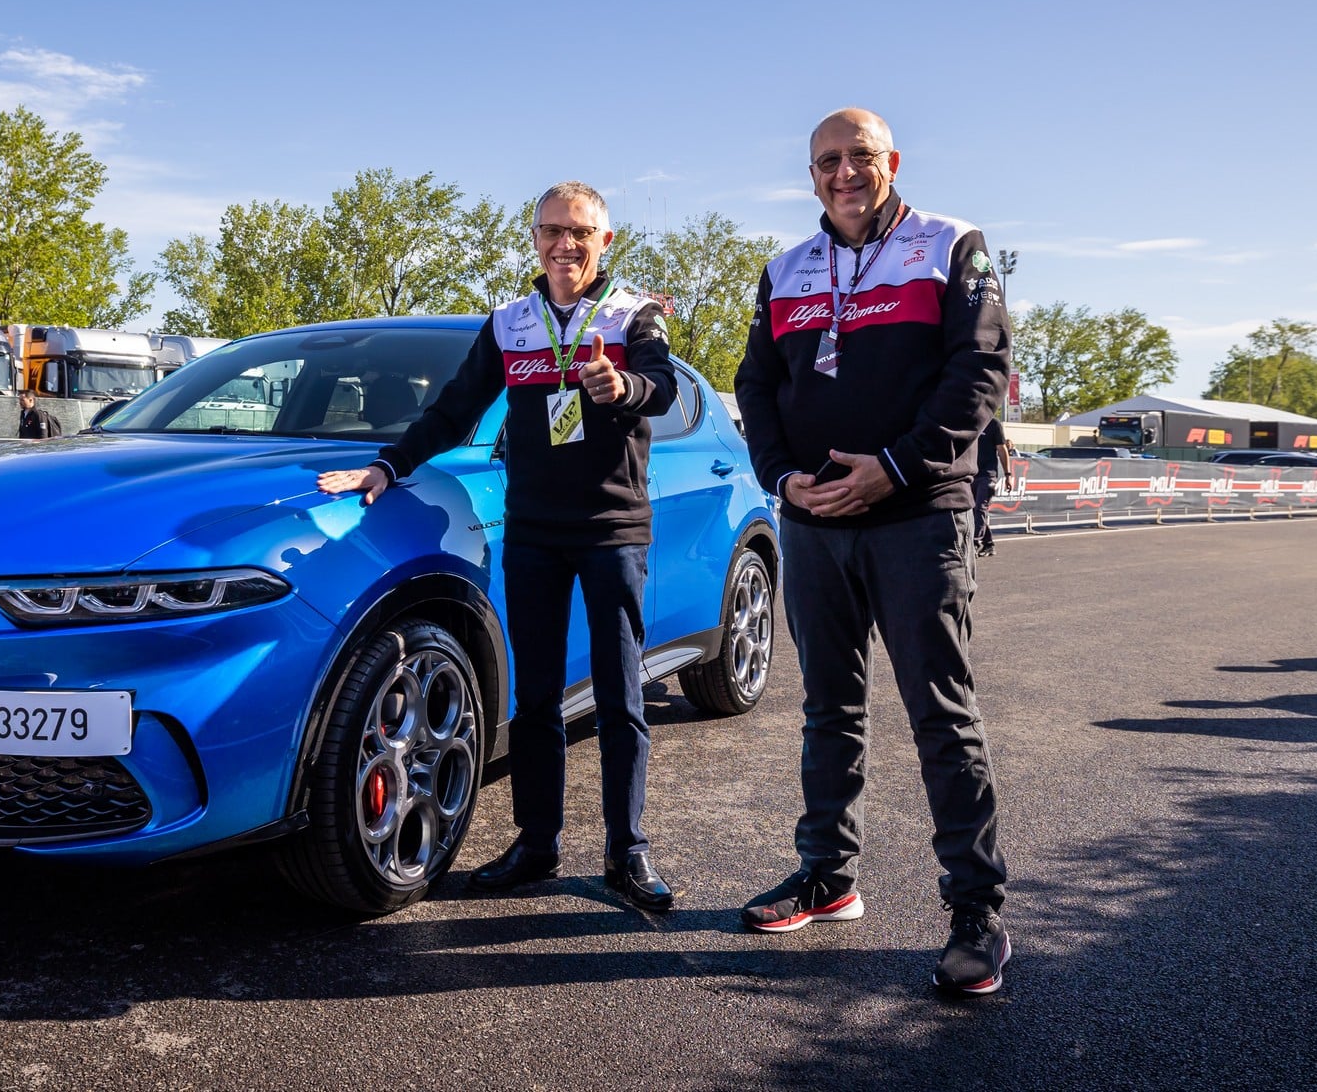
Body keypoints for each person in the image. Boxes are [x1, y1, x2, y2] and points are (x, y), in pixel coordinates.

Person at [317, 181, 680, 910]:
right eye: (551, 231)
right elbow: (454, 410)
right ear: (536, 238)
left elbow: (663, 385)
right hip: (535, 530)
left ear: (604, 242)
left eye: (579, 233)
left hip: (611, 528)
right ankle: (537, 844)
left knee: (619, 695)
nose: (564, 245)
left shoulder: (633, 314)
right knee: (537, 695)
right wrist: (387, 466)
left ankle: (627, 854)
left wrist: (624, 387)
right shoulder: (510, 323)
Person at [733, 108, 1014, 995]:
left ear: (891, 161)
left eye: (859, 157)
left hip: (917, 515)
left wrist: (892, 469)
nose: (843, 173)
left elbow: (977, 373)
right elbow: (757, 385)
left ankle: (977, 913)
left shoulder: (951, 243)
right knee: (827, 710)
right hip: (816, 520)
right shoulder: (785, 269)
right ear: (810, 175)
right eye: (826, 162)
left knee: (941, 715)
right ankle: (828, 876)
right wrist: (783, 480)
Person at [972, 419, 1011, 556]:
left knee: (980, 508)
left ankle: (975, 542)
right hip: (970, 474)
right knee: (972, 511)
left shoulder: (994, 424)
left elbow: (1002, 449)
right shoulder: (969, 421)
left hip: (987, 475)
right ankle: (988, 544)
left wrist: (1008, 474)